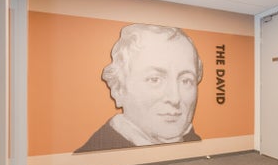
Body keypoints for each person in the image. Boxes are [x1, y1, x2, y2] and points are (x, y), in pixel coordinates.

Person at [75, 24, 202, 153]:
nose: (175, 98)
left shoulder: (200, 148)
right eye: (154, 79)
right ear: (118, 89)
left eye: (186, 81)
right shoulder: (93, 155)